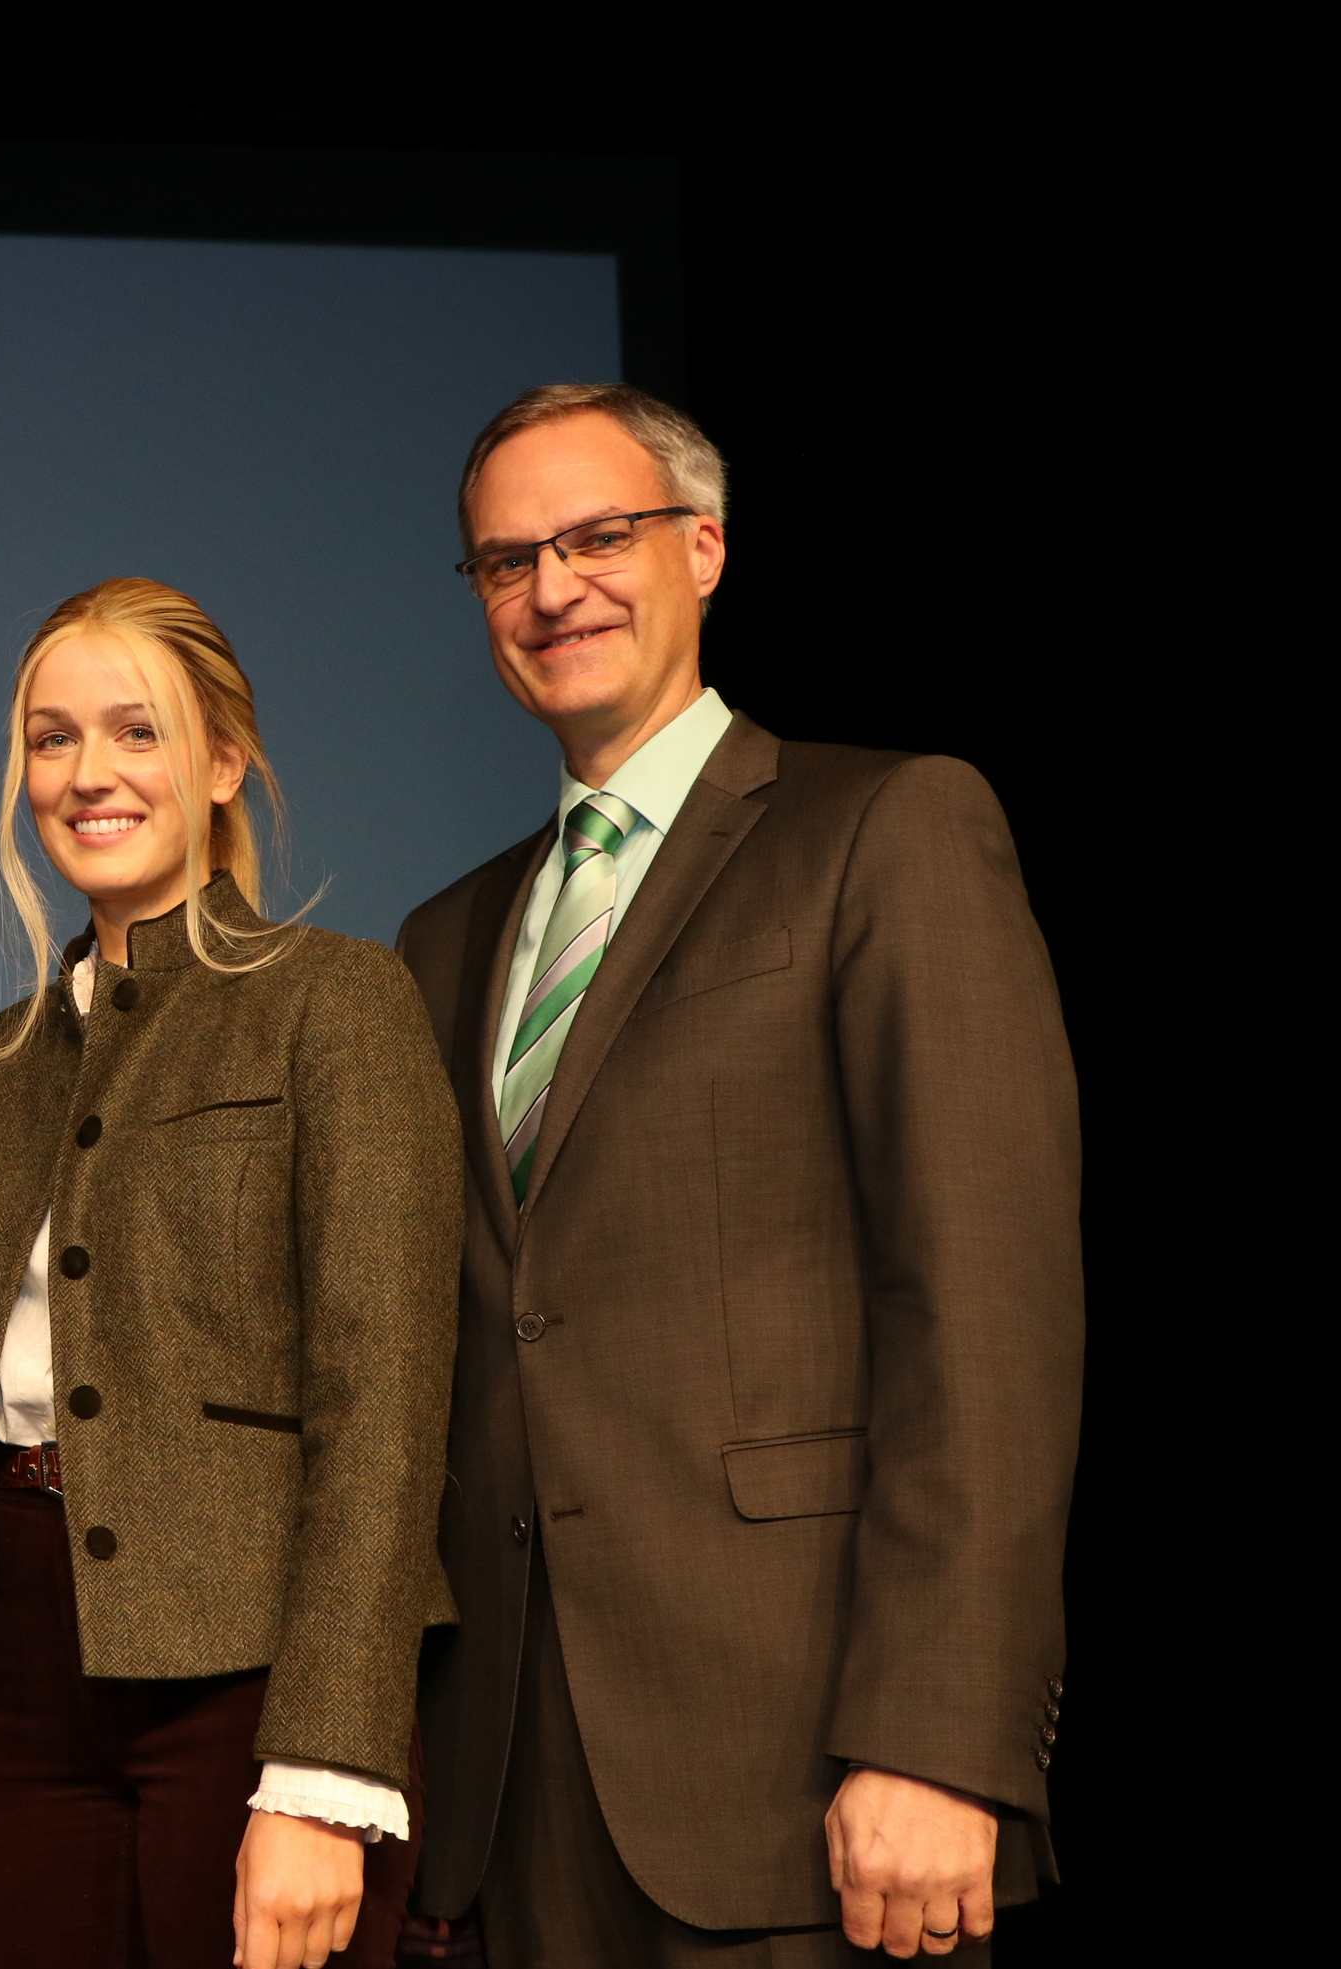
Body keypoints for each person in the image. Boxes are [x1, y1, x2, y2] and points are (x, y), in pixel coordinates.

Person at [394, 384, 1080, 1965]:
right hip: (510, 1791)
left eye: (594, 537)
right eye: (504, 562)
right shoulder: (443, 940)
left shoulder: (886, 827)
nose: (550, 586)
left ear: (701, 548)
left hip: (814, 1777)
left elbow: (986, 1312)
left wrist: (938, 1733)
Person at [0, 578, 462, 1969]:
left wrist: (321, 1764)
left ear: (224, 759)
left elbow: (389, 1405)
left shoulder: (336, 1002)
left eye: (136, 731)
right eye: (50, 739)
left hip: (253, 1675)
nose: (87, 773)